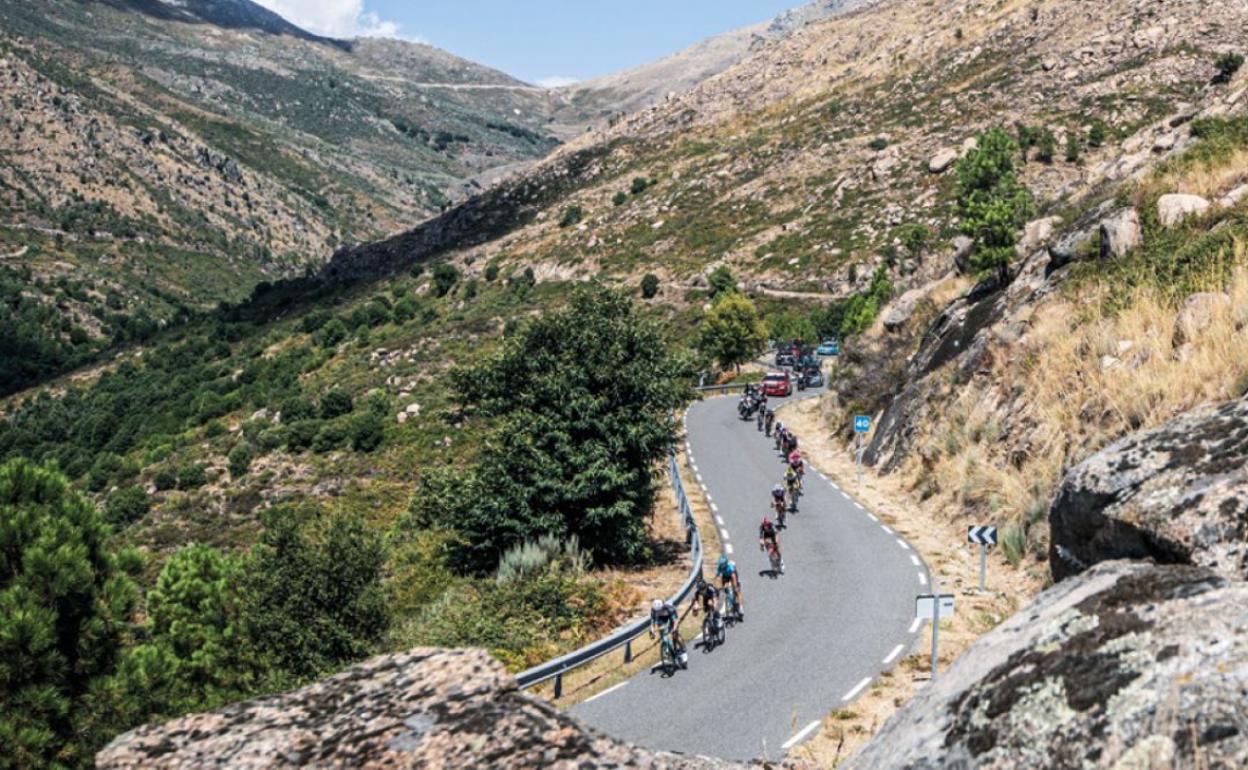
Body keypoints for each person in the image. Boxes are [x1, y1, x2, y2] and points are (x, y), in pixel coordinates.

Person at [650, 598, 687, 663]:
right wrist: (652, 631)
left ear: (663, 606)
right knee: (662, 633)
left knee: (675, 634)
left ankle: (683, 650)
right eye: (657, 611)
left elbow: (675, 621)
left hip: (671, 617)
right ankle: (667, 649)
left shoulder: (669, 608)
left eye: (659, 610)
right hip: (661, 619)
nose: (658, 612)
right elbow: (652, 622)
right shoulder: (653, 610)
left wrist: (674, 629)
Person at [715, 554, 744, 619]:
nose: (721, 566)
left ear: (725, 564)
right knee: (725, 589)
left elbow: (734, 577)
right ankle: (729, 605)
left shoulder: (730, 566)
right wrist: (717, 588)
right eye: (721, 565)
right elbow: (717, 577)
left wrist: (736, 586)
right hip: (725, 576)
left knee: (737, 591)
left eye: (723, 565)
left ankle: (741, 607)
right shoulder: (719, 567)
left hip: (732, 575)